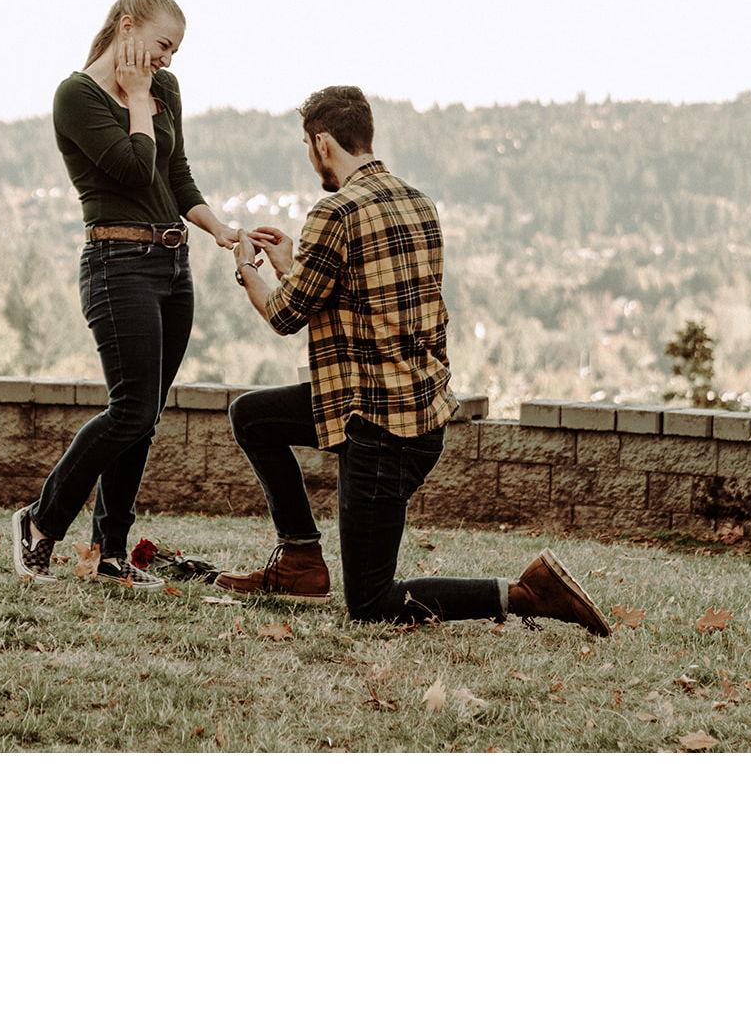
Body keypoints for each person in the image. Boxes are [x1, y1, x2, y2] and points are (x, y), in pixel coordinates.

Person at [220, 85, 610, 634]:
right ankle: (300, 558)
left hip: (379, 431)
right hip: (401, 409)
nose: (311, 158)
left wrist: (248, 269)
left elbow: (286, 315)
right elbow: (358, 299)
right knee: (253, 416)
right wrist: (294, 263)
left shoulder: (336, 211)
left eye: (308, 147)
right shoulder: (417, 203)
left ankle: (526, 592)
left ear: (323, 143)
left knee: (371, 601)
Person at [10, 0, 242, 588]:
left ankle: (109, 552)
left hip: (172, 264)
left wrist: (220, 229)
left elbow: (174, 174)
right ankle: (40, 521)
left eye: (175, 51)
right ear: (128, 26)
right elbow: (135, 170)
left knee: (146, 416)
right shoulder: (77, 96)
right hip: (117, 263)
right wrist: (138, 96)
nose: (167, 60)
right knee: (131, 409)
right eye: (163, 45)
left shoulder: (165, 90)